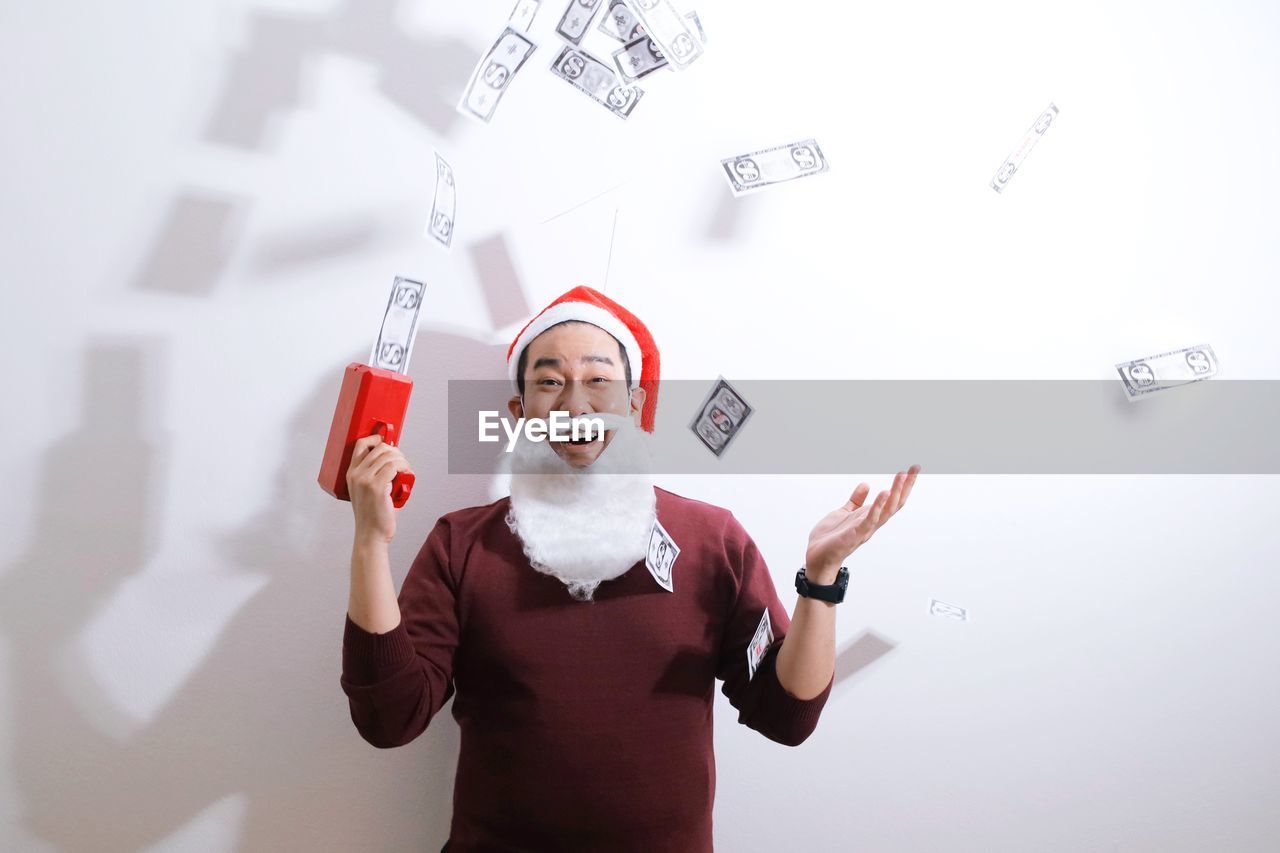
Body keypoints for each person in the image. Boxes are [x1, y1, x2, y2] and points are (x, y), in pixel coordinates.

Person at [340, 285, 919, 851]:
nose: (574, 405)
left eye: (598, 380)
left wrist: (821, 579)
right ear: (519, 413)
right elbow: (389, 719)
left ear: (637, 405)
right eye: (548, 382)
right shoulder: (460, 544)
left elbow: (787, 715)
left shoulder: (714, 541)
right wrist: (371, 540)